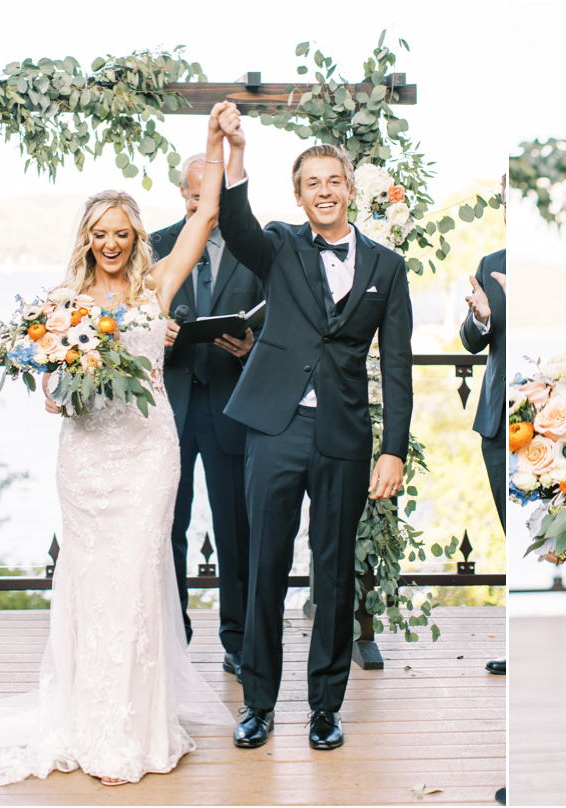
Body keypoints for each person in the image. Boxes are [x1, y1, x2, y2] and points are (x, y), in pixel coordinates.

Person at [0, 107, 233, 788]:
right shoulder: (62, 301)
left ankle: (134, 728)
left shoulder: (155, 286)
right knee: (91, 586)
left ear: (136, 236)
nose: (111, 244)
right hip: (86, 458)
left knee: (140, 579)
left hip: (147, 453)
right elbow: (50, 389)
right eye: (100, 234)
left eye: (121, 233)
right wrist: (60, 382)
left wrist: (211, 145)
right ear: (86, 239)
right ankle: (91, 723)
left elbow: (202, 220)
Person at [213, 102, 413, 751]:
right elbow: (233, 221)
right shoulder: (279, 244)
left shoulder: (386, 266)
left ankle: (325, 708)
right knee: (265, 567)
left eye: (334, 180)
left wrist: (393, 451)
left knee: (333, 575)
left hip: (344, 439)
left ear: (349, 188)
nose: (324, 191)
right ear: (298, 195)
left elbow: (400, 366)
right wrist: (236, 154)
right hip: (273, 430)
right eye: (311, 183)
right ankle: (259, 706)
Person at [150, 153, 264, 682]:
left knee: (235, 529)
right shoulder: (152, 245)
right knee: (165, 527)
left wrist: (249, 347)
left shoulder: (253, 243)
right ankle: (174, 638)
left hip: (229, 406)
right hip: (165, 411)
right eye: (196, 197)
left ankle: (238, 642)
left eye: (213, 197)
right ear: (183, 194)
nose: (204, 206)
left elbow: (275, 322)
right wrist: (157, 335)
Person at [461, 178, 507, 678]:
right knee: (506, 531)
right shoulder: (489, 265)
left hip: (554, 421)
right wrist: (482, 318)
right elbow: (471, 340)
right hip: (496, 422)